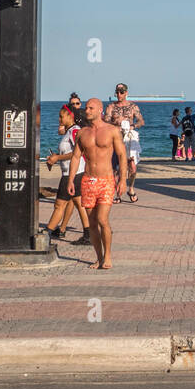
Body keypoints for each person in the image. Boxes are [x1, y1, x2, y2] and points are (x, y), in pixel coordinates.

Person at [67, 97, 128, 269]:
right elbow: (76, 157)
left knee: (102, 219)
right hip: (88, 180)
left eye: (91, 108)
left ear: (100, 110)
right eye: (86, 108)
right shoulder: (82, 133)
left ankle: (108, 256)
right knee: (92, 222)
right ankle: (99, 258)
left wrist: (122, 180)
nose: (87, 111)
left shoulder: (112, 131)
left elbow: (122, 155)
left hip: (106, 180)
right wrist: (71, 180)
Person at [45, 104, 90, 243]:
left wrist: (57, 158)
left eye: (61, 116)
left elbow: (77, 153)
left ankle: (46, 234)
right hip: (72, 172)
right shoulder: (69, 131)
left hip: (73, 173)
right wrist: (56, 157)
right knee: (78, 204)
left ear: (70, 116)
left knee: (60, 204)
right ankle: (88, 234)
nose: (59, 119)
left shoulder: (75, 131)